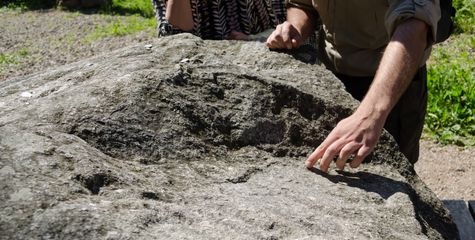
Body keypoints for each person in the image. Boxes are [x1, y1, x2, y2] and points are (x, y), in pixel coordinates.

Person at [266, 1, 441, 172]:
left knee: (390, 175)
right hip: (330, 79)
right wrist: (295, 29)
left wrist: (371, 114)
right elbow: (301, 4)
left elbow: (415, 25)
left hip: (391, 88)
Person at [152, 0, 287, 40]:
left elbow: (287, 26)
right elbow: (175, 37)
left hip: (258, 53)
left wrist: (254, 39)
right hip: (198, 66)